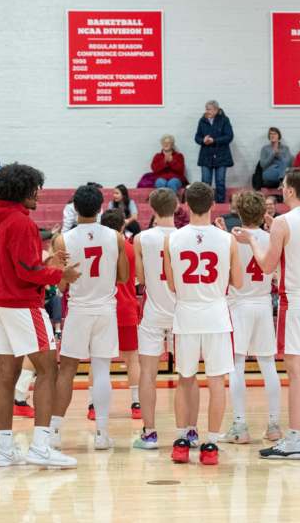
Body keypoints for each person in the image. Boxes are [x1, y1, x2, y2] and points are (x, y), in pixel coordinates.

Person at [234, 169, 300, 459]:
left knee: (296, 373)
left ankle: (294, 440)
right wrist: (272, 231)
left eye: (283, 186)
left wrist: (255, 241)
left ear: (292, 191)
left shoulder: (283, 222)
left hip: (296, 303)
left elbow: (268, 266)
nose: (282, 190)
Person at [0, 163, 80, 469]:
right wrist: (59, 272)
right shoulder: (21, 223)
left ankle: (3, 450)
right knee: (48, 370)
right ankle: (40, 445)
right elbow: (27, 271)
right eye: (35, 189)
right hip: (22, 304)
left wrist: (48, 261)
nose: (38, 194)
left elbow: (18, 262)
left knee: (6, 375)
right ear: (22, 190)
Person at [164, 182, 242, 465]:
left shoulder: (172, 239)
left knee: (185, 381)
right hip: (216, 316)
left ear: (184, 205)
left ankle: (182, 440)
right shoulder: (227, 240)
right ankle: (211, 445)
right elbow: (238, 282)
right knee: (217, 382)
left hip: (186, 315)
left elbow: (171, 284)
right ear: (212, 205)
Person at [51, 184, 128, 451]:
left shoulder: (63, 239)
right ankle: (102, 433)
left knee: (67, 371)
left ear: (74, 208)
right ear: (100, 208)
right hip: (105, 308)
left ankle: (54, 431)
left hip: (78, 310)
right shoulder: (115, 237)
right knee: (102, 370)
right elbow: (125, 277)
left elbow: (60, 285)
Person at [219, 191, 282, 444]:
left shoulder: (229, 239)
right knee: (268, 365)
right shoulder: (271, 238)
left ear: (238, 212)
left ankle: (240, 426)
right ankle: (275, 425)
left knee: (237, 366)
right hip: (264, 304)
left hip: (239, 305)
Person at [133, 188, 179, 450]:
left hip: (153, 311)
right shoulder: (183, 237)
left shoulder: (141, 239)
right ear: (177, 208)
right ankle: (188, 432)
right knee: (187, 376)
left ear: (151, 208)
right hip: (181, 313)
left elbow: (140, 279)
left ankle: (149, 434)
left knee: (148, 375)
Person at [100, 208, 142, 419]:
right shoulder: (130, 248)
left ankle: (93, 405)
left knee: (100, 360)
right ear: (122, 226)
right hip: (125, 307)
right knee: (132, 358)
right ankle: (136, 404)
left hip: (103, 307)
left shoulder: (98, 247)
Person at [195, 100, 234, 204]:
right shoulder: (202, 120)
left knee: (220, 182)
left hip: (221, 156)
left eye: (209, 109)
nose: (207, 111)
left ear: (216, 110)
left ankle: (220, 204)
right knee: (205, 182)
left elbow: (229, 136)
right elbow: (197, 137)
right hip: (206, 156)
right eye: (206, 109)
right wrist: (202, 140)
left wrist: (214, 140)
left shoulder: (224, 120)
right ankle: (204, 204)